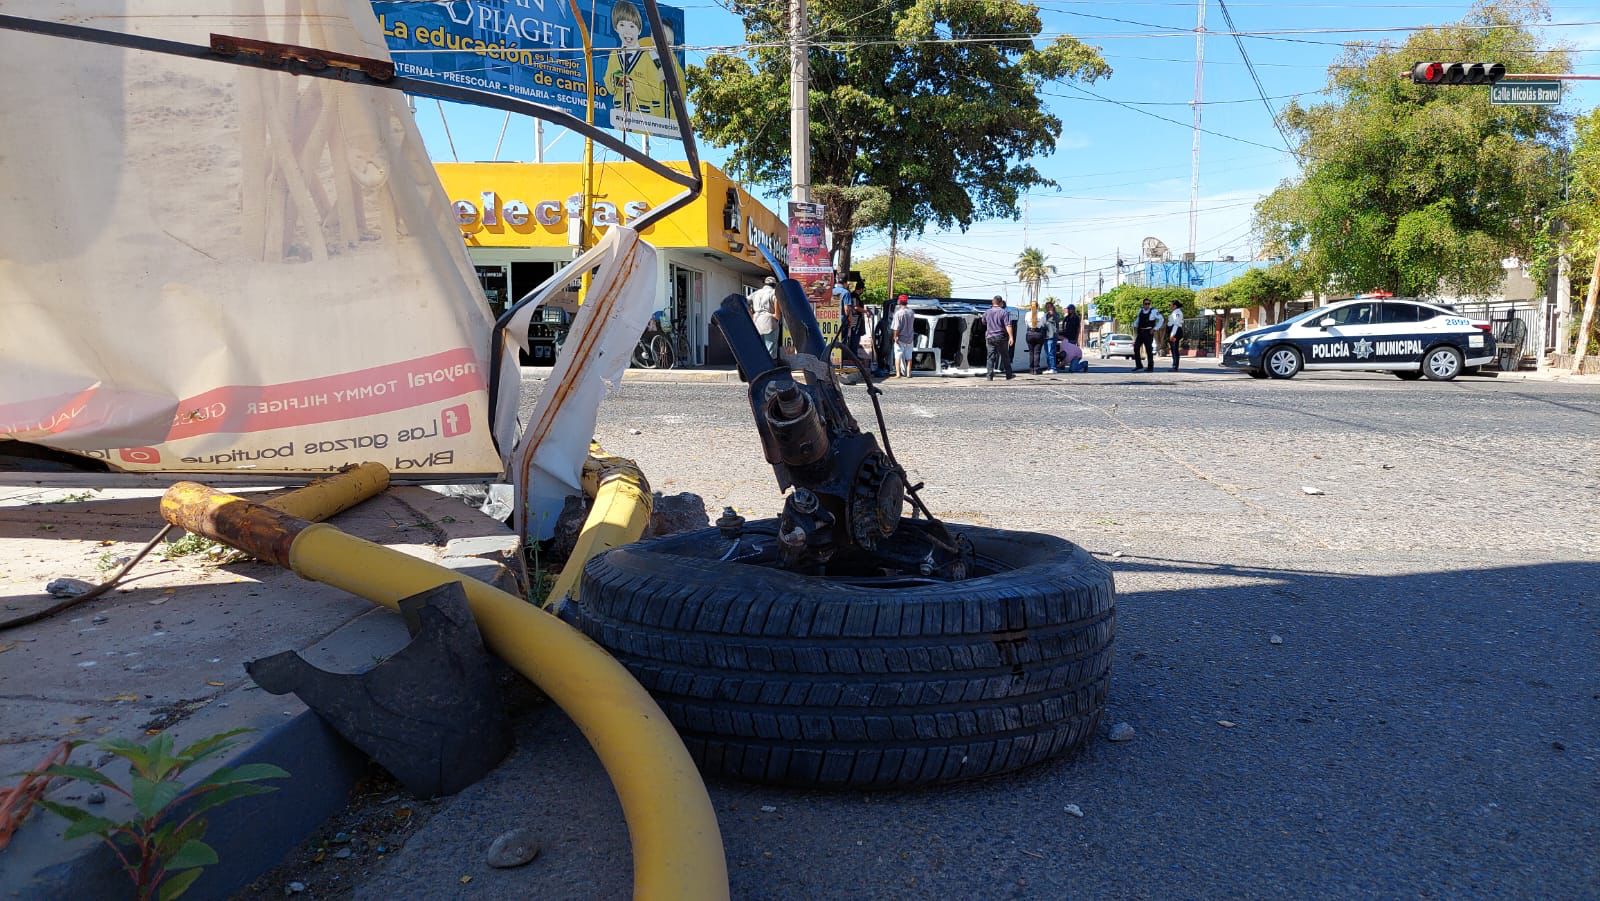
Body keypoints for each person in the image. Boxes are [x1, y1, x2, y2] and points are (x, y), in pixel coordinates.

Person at [983, 296, 1015, 381]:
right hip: (1001, 337)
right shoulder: (1004, 312)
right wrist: (1011, 337)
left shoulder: (987, 312)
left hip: (990, 337)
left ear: (993, 303)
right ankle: (1009, 375)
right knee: (1005, 356)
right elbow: (1008, 325)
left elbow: (984, 322)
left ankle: (989, 376)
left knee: (990, 357)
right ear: (1001, 303)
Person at [748, 276, 779, 358]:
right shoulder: (774, 292)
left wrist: (751, 314)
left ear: (765, 284)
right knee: (770, 349)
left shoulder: (756, 293)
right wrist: (776, 316)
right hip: (769, 320)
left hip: (756, 320)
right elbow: (777, 310)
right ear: (774, 284)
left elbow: (745, 302)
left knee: (759, 348)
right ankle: (770, 365)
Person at [1131, 298, 1162, 373]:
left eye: (1148, 304)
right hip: (1140, 331)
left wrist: (1155, 328)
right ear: (1143, 304)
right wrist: (1134, 324)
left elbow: (1161, 319)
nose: (1147, 305)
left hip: (1148, 332)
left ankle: (1150, 367)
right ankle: (1139, 365)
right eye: (1145, 304)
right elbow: (1138, 320)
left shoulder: (1154, 311)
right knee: (1136, 347)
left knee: (1148, 349)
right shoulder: (1140, 310)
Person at [891, 295, 917, 378]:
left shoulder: (898, 313)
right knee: (909, 356)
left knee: (898, 355)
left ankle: (898, 374)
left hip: (900, 338)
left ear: (899, 302)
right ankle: (909, 374)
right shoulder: (911, 312)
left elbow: (896, 327)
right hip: (910, 338)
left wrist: (895, 337)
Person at [1023, 301, 1048, 374]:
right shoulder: (1042, 313)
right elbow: (1044, 323)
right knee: (1037, 352)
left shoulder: (1027, 314)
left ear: (1030, 306)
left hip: (1030, 333)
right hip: (1038, 333)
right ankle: (1036, 369)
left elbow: (1026, 324)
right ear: (1038, 306)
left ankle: (1031, 369)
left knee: (1031, 352)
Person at [1042, 301, 1061, 374]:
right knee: (1047, 353)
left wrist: (1052, 313)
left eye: (1049, 306)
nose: (1048, 308)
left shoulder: (1056, 314)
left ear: (1052, 307)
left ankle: (1053, 368)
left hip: (1052, 336)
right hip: (1046, 336)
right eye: (1046, 307)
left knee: (1051, 352)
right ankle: (1049, 367)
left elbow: (1057, 320)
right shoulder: (1045, 315)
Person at [1167, 300, 1185, 371]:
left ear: (1175, 306)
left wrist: (1172, 334)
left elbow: (1176, 324)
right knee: (1173, 349)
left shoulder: (1177, 313)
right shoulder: (1175, 312)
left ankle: (1175, 366)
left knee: (1174, 349)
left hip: (1175, 331)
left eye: (1170, 305)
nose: (1170, 306)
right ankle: (1174, 365)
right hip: (1174, 330)